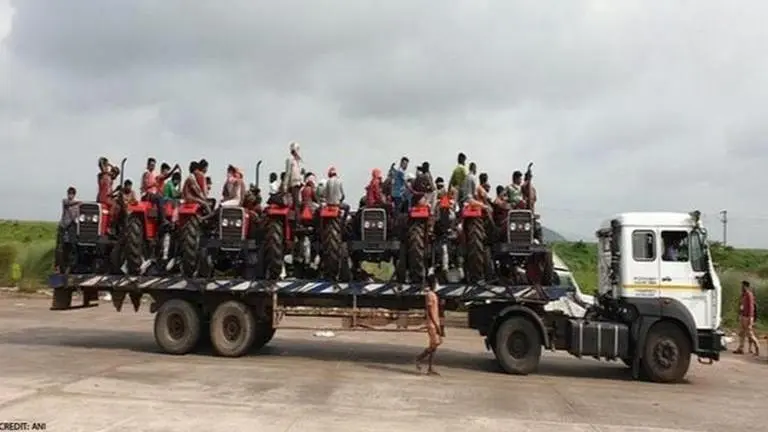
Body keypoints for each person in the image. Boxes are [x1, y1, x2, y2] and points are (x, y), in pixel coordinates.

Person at [416, 274, 443, 375]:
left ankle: (430, 367)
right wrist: (436, 325)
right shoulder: (430, 295)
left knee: (435, 344)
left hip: (435, 323)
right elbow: (430, 312)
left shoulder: (433, 294)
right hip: (432, 324)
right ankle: (419, 358)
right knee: (435, 344)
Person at [56, 187, 81, 271]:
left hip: (72, 226)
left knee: (72, 245)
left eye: (72, 194)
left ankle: (71, 264)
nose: (70, 195)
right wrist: (79, 202)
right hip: (63, 225)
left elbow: (77, 215)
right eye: (69, 193)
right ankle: (57, 265)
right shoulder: (65, 201)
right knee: (60, 246)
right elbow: (69, 203)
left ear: (74, 194)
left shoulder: (77, 205)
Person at [140, 158, 169, 226]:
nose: (153, 166)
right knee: (159, 198)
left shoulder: (153, 174)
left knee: (165, 200)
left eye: (154, 165)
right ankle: (162, 220)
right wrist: (154, 184)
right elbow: (146, 185)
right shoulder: (146, 173)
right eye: (151, 165)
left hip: (152, 194)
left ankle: (159, 218)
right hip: (147, 194)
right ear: (148, 165)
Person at [734, 281, 759, 356]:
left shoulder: (749, 294)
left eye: (743, 286)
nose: (741, 287)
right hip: (743, 316)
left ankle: (757, 348)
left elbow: (751, 308)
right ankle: (740, 348)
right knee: (741, 333)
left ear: (746, 286)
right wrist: (739, 315)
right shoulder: (743, 295)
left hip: (748, 317)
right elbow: (741, 305)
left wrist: (750, 319)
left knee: (750, 334)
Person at [282, 142, 304, 228]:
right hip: (293, 184)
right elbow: (288, 173)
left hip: (298, 185)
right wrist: (285, 186)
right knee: (296, 205)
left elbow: (298, 173)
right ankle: (297, 223)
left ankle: (297, 221)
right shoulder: (290, 160)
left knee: (298, 204)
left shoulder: (297, 161)